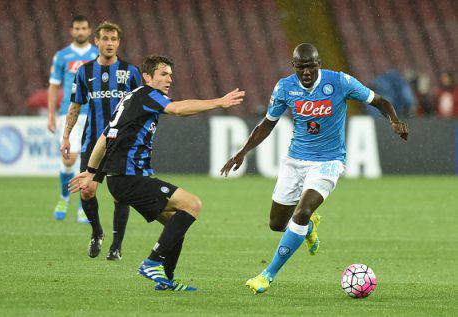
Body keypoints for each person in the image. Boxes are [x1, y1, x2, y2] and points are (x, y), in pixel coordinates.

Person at [220, 43, 408, 294]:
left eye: (310, 66)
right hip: (295, 161)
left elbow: (380, 101)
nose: (306, 72)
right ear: (294, 67)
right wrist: (242, 152)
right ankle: (308, 228)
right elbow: (268, 123)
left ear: (319, 64)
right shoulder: (285, 87)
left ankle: (267, 275)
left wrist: (394, 121)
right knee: (277, 224)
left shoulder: (340, 82)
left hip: (329, 162)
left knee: (302, 211)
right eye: (301, 68)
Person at [69, 55, 245, 291]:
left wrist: (91, 172)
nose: (169, 79)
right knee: (193, 204)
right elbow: (178, 109)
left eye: (171, 74)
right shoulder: (148, 96)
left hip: (122, 180)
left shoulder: (129, 98)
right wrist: (219, 102)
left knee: (175, 224)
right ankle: (151, 262)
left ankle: (167, 281)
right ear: (147, 77)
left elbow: (104, 138)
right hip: (128, 178)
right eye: (164, 74)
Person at [61, 21, 141, 260]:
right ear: (96, 41)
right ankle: (97, 232)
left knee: (120, 195)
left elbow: (142, 105)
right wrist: (66, 136)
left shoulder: (131, 72)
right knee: (87, 190)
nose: (109, 43)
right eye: (104, 38)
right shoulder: (84, 72)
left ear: (119, 42)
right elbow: (75, 105)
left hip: (122, 145)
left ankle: (116, 246)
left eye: (113, 39)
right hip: (92, 142)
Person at [48, 15, 98, 223]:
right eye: (77, 28)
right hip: (68, 113)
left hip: (94, 113)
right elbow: (54, 85)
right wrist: (51, 114)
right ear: (71, 30)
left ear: (89, 31)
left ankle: (82, 205)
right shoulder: (62, 56)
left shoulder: (97, 54)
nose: (80, 32)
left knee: (89, 162)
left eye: (84, 28)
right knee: (68, 159)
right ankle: (64, 196)